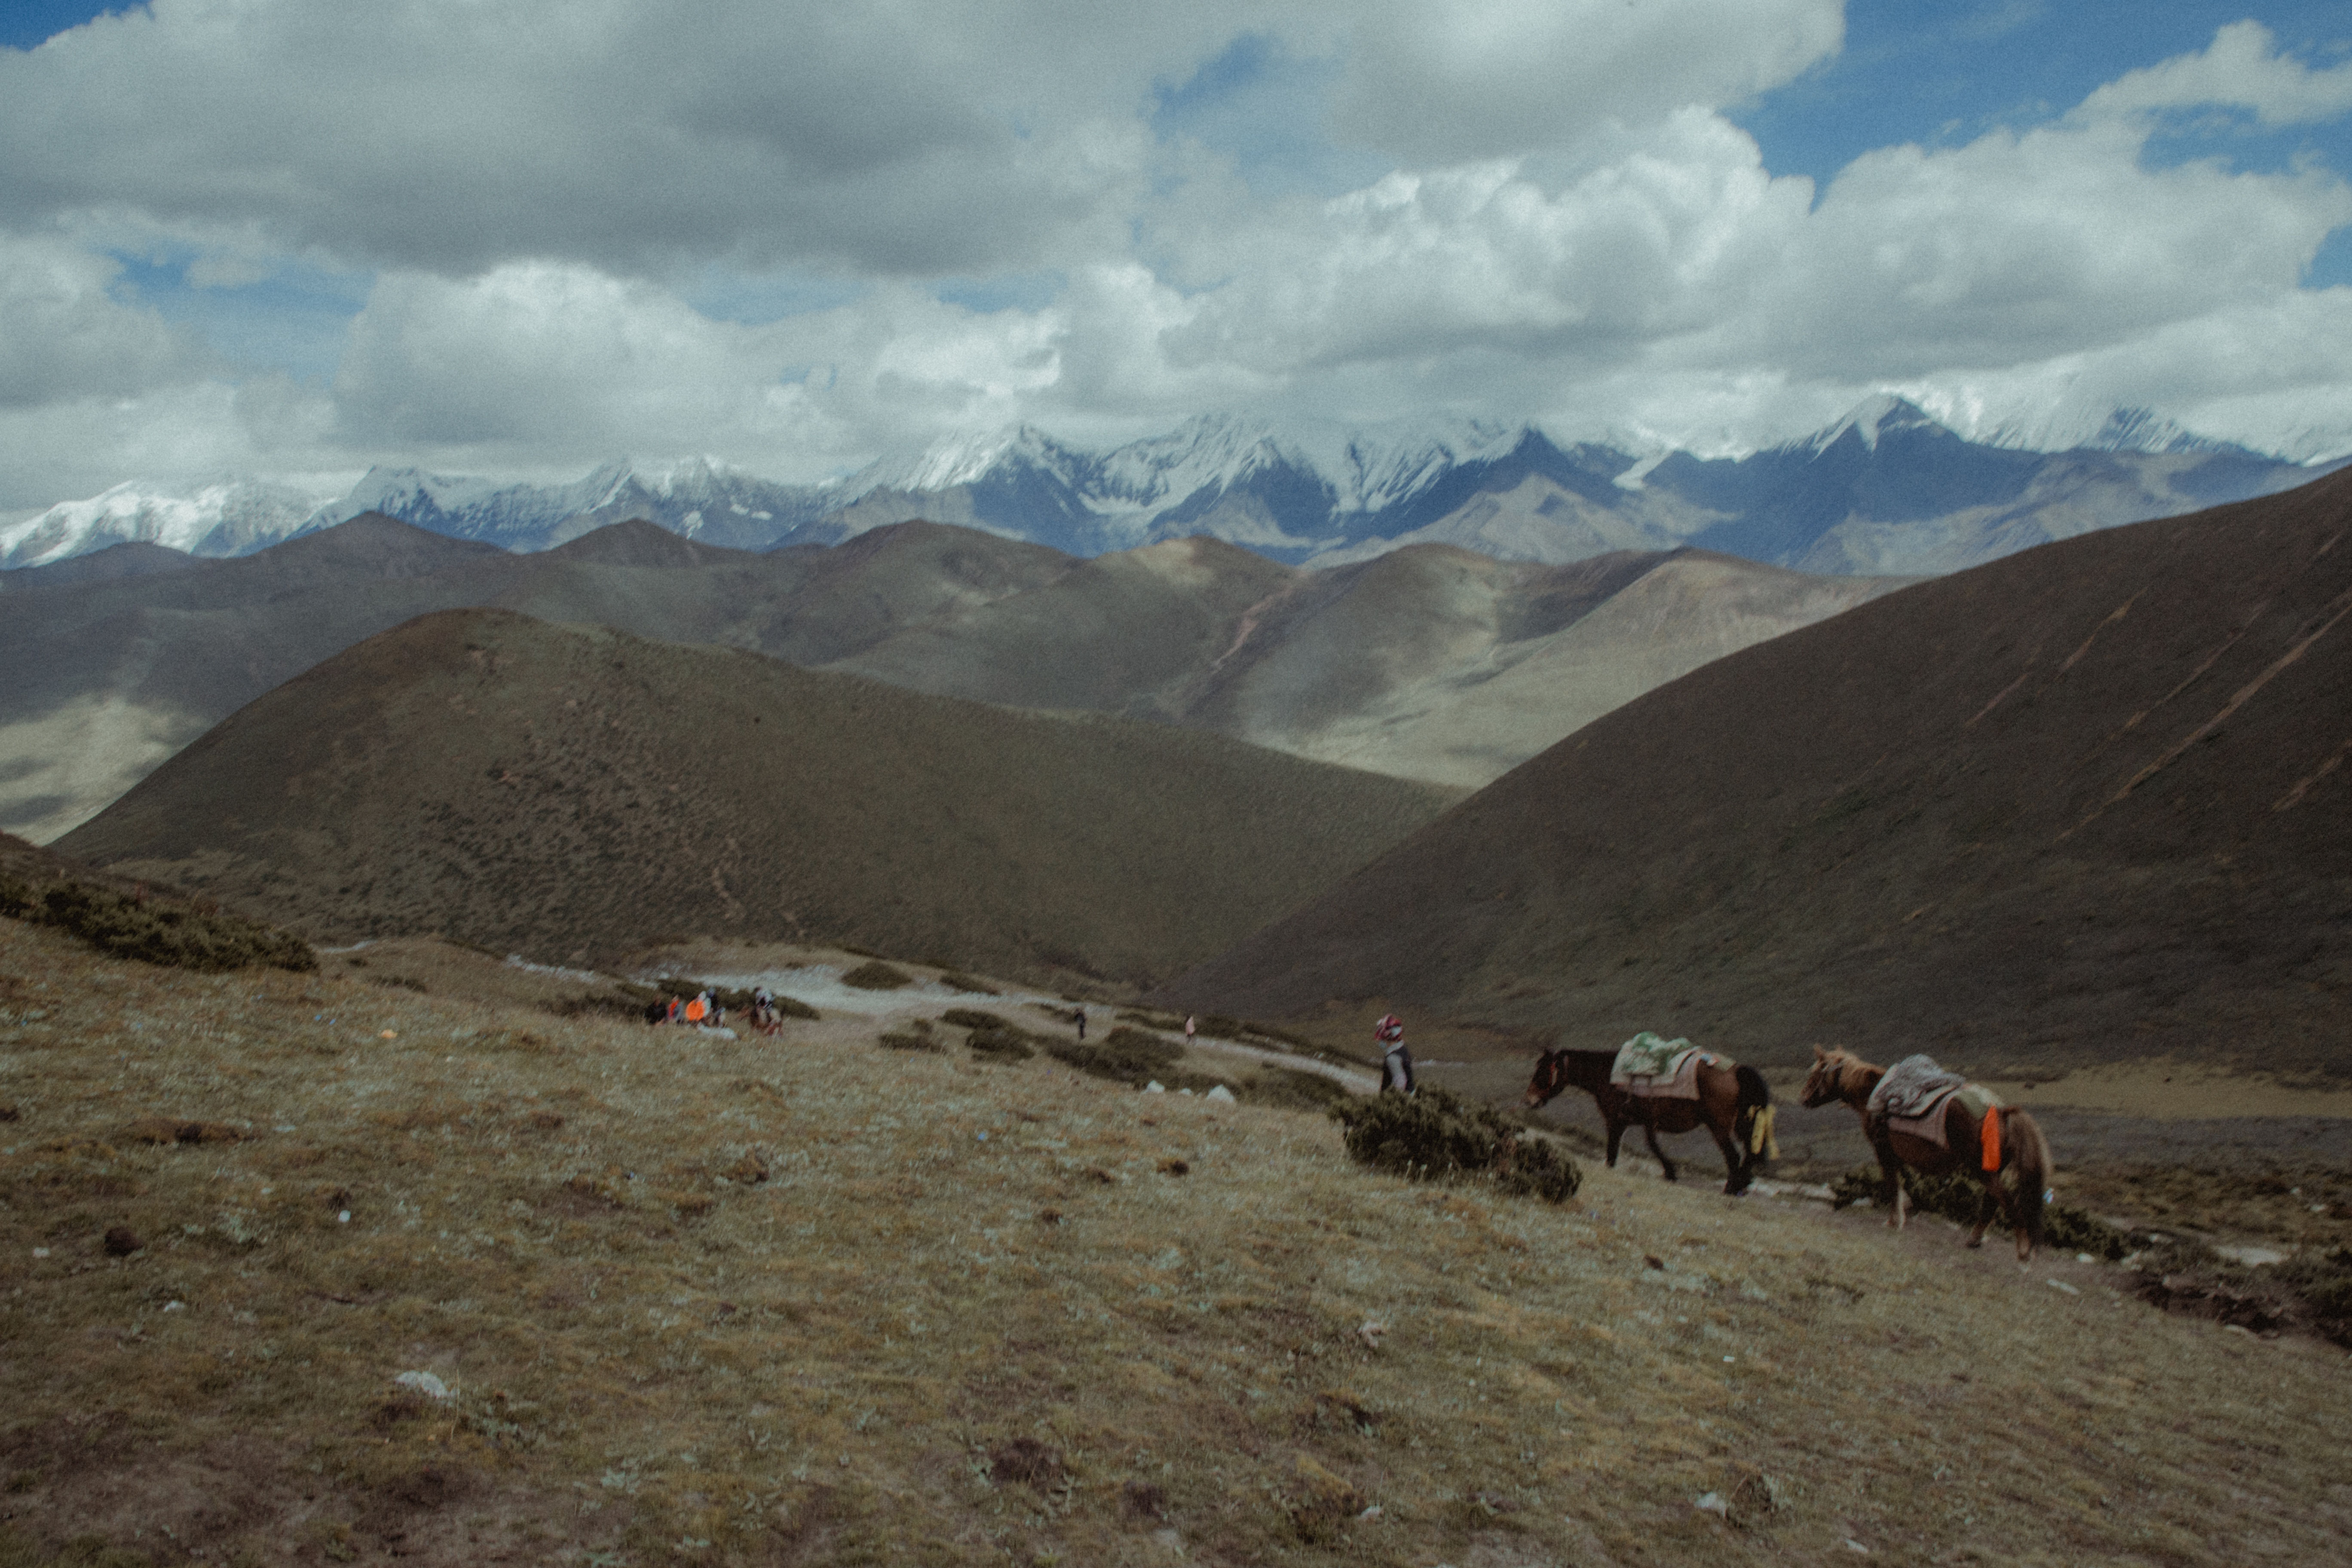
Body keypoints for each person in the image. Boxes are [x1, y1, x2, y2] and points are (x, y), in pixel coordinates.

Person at [1375, 1012, 1414, 1095]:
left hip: (1398, 1101)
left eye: (1383, 1039)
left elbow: (1400, 1083)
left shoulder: (1392, 1058)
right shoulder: (1403, 1049)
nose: (1381, 1041)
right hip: (1410, 1095)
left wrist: (1392, 1101)